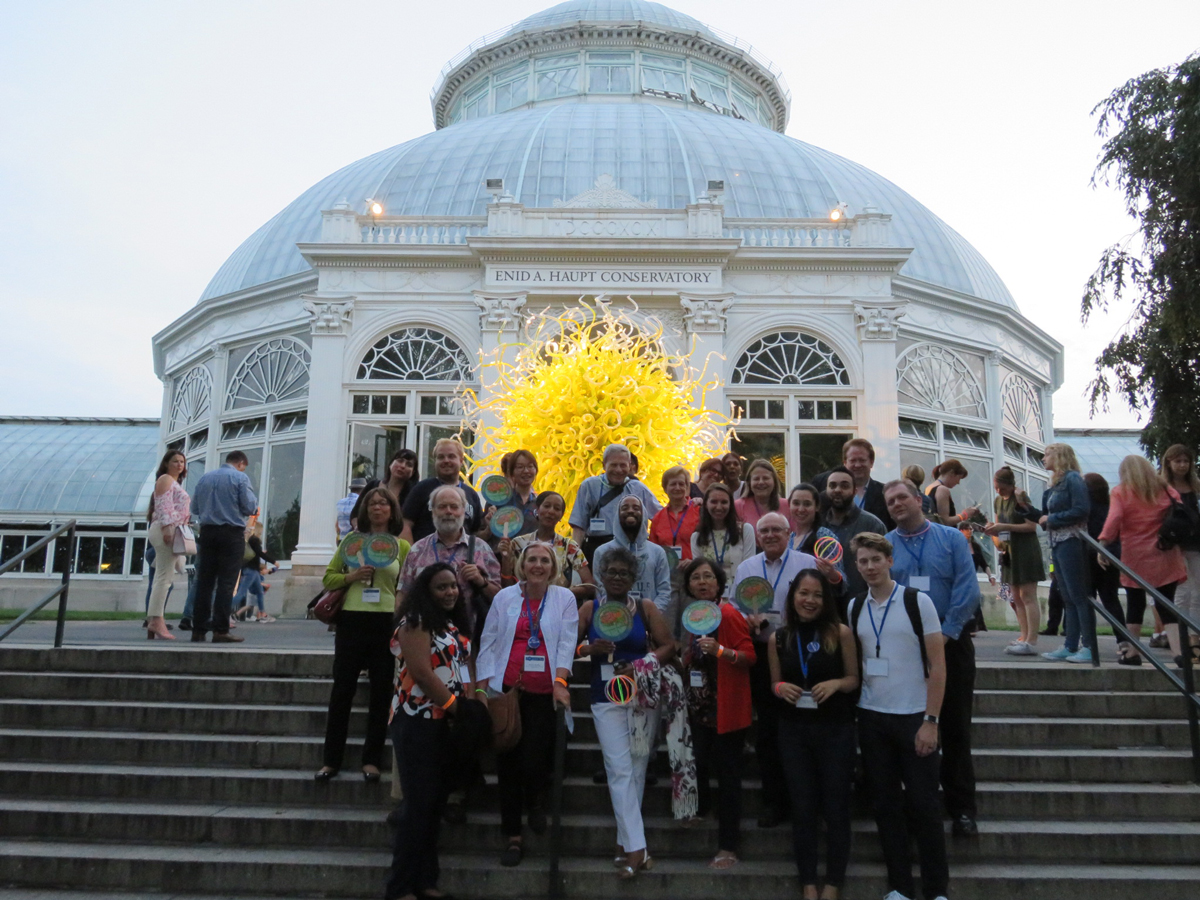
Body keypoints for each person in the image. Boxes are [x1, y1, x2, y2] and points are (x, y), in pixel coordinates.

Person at [847, 532, 949, 900]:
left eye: (876, 559)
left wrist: (931, 720)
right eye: (863, 561)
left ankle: (937, 889)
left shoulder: (916, 601)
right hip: (873, 718)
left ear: (890, 561)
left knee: (924, 804)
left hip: (914, 717)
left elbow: (938, 666)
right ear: (856, 566)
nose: (870, 567)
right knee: (886, 805)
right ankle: (900, 887)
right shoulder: (855, 606)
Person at [883, 478, 981, 837]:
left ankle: (962, 809)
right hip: (904, 651)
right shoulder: (887, 546)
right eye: (890, 501)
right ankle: (919, 806)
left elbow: (967, 589)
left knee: (954, 728)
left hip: (950, 646)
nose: (896, 504)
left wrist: (946, 632)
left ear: (919, 499)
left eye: (901, 498)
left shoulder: (952, 539)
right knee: (911, 730)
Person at [577, 546, 676, 879]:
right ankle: (638, 850)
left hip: (641, 696)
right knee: (618, 767)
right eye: (612, 572)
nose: (617, 577)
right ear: (601, 576)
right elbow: (569, 647)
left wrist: (640, 664)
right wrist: (590, 649)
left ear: (634, 578)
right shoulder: (590, 608)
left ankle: (625, 844)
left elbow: (667, 646)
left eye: (624, 572)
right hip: (603, 696)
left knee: (636, 768)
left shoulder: (645, 608)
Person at [476, 542, 577, 867]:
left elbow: (565, 642)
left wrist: (561, 682)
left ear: (553, 566)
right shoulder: (505, 597)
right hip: (507, 691)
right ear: (522, 564)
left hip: (545, 691)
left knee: (535, 760)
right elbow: (489, 639)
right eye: (531, 559)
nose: (537, 565)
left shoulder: (565, 598)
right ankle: (513, 837)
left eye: (544, 560)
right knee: (507, 764)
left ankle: (535, 799)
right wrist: (483, 686)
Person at [383, 562, 478, 900]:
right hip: (416, 720)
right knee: (418, 805)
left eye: (453, 586)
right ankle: (400, 886)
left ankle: (426, 880)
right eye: (441, 587)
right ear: (426, 590)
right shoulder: (415, 623)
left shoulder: (452, 625)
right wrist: (457, 709)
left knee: (434, 804)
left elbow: (462, 668)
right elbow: (422, 674)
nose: (450, 592)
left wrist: (468, 703)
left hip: (445, 724)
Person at [769, 568, 859, 900]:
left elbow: (853, 679)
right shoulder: (780, 637)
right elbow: (773, 683)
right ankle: (808, 882)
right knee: (803, 807)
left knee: (836, 806)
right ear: (793, 597)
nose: (810, 601)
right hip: (793, 732)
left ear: (826, 599)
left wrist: (836, 684)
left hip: (835, 730)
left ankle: (833, 882)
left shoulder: (841, 633)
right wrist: (781, 687)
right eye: (804, 594)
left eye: (817, 595)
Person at [730, 512, 818, 828]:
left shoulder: (807, 563)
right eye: (763, 530)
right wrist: (746, 620)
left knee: (803, 731)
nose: (769, 535)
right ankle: (774, 803)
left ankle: (807, 801)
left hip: (801, 655)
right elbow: (734, 607)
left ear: (788, 532)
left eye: (775, 530)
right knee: (768, 733)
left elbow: (823, 599)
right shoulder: (747, 568)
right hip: (762, 657)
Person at [316, 486, 410, 782]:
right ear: (364, 510)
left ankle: (371, 760)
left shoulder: (401, 546)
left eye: (384, 503)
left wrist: (399, 607)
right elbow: (328, 577)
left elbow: (408, 584)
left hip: (385, 621)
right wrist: (351, 576)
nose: (378, 507)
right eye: (372, 503)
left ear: (392, 511)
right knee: (342, 689)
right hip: (352, 620)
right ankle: (331, 760)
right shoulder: (351, 541)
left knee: (382, 693)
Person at [679, 558, 754, 870]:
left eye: (708, 576)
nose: (702, 582)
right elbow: (692, 656)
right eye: (695, 577)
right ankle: (701, 809)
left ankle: (728, 846)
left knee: (728, 777)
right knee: (701, 763)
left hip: (726, 709)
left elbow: (749, 656)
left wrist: (721, 651)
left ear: (720, 583)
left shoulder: (727, 613)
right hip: (699, 709)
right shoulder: (695, 616)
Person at [1099, 455, 1188, 663]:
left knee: (1135, 604)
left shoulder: (1121, 491)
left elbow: (1115, 518)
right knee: (1167, 605)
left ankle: (1132, 652)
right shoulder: (1165, 488)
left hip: (1135, 556)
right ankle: (1179, 652)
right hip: (1165, 553)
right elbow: (1180, 510)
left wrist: (1103, 543)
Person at [396, 484, 501, 642]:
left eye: (454, 506)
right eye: (442, 506)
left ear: (464, 511)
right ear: (432, 511)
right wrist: (399, 630)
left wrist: (481, 581)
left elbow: (500, 598)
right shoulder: (418, 550)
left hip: (468, 641)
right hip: (423, 639)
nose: (448, 512)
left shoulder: (481, 549)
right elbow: (403, 594)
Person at [188, 450, 258, 643]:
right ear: (241, 463)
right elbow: (250, 507)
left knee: (205, 583)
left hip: (208, 533)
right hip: (231, 534)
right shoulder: (240, 478)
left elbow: (194, 509)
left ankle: (199, 630)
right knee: (226, 584)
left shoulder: (205, 478)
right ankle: (220, 630)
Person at [1037, 443, 1095, 665]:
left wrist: (1051, 520)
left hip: (1071, 540)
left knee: (1078, 594)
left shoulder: (1072, 479)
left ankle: (1088, 645)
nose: (1043, 459)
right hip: (1058, 541)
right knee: (1067, 595)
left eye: (1047, 454)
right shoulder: (1056, 484)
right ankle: (1071, 644)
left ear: (1058, 456)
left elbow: (1081, 509)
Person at [984, 467, 1045, 655]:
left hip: (1025, 550)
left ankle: (1031, 639)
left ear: (1010, 486)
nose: (998, 491)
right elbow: (998, 524)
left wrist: (1005, 526)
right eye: (996, 488)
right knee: (1015, 596)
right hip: (1009, 551)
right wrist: (993, 531)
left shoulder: (1020, 497)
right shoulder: (997, 501)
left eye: (1001, 488)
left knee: (1028, 595)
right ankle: (1023, 635)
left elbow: (1031, 526)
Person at [569, 443, 661, 564]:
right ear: (604, 465)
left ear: (629, 466)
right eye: (613, 465)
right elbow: (579, 525)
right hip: (596, 548)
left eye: (623, 465)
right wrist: (575, 559)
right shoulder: (589, 486)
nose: (618, 470)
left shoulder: (638, 488)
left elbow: (660, 517)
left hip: (630, 550)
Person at [502, 491, 595, 602]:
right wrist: (505, 558)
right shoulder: (518, 544)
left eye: (556, 508)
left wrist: (559, 594)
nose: (551, 511)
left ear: (561, 515)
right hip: (522, 604)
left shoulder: (569, 546)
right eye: (546, 506)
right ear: (537, 510)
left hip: (558, 606)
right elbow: (507, 586)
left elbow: (590, 586)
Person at [592, 495, 672, 614]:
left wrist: (651, 614)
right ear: (617, 515)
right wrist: (617, 614)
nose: (630, 511)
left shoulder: (657, 552)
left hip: (649, 619)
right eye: (625, 508)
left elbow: (664, 590)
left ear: (643, 514)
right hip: (614, 619)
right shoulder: (602, 551)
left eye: (636, 508)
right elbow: (600, 589)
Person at [401, 438, 485, 544]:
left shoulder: (471, 494)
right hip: (428, 557)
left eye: (451, 456)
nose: (446, 460)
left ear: (461, 460)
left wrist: (492, 528)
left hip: (463, 559)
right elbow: (405, 524)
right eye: (441, 457)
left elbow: (475, 533)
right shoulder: (421, 489)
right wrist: (413, 554)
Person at [822, 466, 886, 603]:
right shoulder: (819, 525)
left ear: (854, 491)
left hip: (861, 604)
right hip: (825, 606)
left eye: (844, 486)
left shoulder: (871, 525)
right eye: (832, 486)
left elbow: (884, 570)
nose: (837, 490)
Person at [1161, 444, 1200, 662]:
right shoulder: (1163, 487)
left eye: (1186, 461)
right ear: (1169, 462)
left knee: (1198, 590)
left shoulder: (1195, 487)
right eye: (1178, 461)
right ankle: (1181, 636)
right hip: (1176, 544)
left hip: (1196, 543)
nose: (1182, 465)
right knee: (1182, 591)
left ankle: (1195, 634)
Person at [145, 449, 189, 641]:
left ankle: (155, 619)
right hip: (167, 530)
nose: (179, 465)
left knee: (164, 576)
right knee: (164, 578)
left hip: (173, 529)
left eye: (182, 461)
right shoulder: (165, 479)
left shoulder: (174, 482)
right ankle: (156, 620)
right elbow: (163, 506)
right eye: (175, 461)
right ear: (166, 463)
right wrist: (167, 529)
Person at [806, 438, 894, 531]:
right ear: (845, 462)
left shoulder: (885, 493)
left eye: (862, 460)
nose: (857, 465)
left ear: (871, 462)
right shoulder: (821, 482)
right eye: (853, 460)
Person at [691, 483, 756, 597]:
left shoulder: (745, 530)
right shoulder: (697, 537)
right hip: (710, 599)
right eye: (714, 502)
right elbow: (699, 573)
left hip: (741, 595)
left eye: (724, 502)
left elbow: (749, 567)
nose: (719, 507)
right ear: (706, 504)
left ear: (731, 504)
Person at [787, 484, 845, 592]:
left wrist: (832, 575)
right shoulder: (789, 538)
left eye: (807, 504)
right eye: (796, 503)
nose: (800, 509)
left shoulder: (824, 536)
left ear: (817, 507)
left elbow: (842, 581)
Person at [649, 466, 700, 566]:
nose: (677, 488)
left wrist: (695, 561)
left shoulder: (698, 511)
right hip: (666, 572)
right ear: (665, 488)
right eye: (673, 484)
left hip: (694, 571)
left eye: (681, 484)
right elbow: (653, 550)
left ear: (687, 487)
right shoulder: (657, 518)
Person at [232, 520, 277, 623]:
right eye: (260, 531)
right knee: (242, 593)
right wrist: (274, 562)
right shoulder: (254, 540)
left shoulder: (249, 541)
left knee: (260, 592)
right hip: (251, 570)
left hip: (253, 570)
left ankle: (262, 614)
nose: (261, 533)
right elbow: (260, 554)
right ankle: (224, 611)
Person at [925, 460, 979, 529]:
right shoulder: (942, 490)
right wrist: (965, 514)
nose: (958, 482)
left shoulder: (929, 488)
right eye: (959, 478)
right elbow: (945, 521)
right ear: (952, 473)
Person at [735, 458, 783, 536]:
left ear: (774, 481)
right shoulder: (738, 507)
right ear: (749, 483)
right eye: (756, 479)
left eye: (766, 478)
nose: (761, 482)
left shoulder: (788, 506)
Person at [499, 449, 540, 536]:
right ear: (512, 472)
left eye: (530, 466)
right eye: (520, 467)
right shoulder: (500, 500)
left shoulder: (540, 503)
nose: (526, 471)